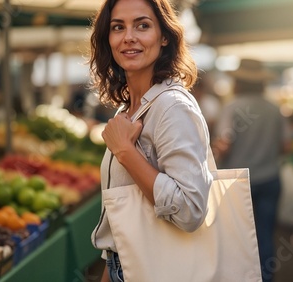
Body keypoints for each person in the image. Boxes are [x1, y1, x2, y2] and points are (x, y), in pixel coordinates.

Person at [88, 0, 212, 281]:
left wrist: (126, 152)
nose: (129, 36)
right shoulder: (128, 110)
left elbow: (191, 210)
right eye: (118, 27)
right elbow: (121, 213)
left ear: (164, 36)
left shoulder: (172, 107)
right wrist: (110, 269)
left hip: (160, 268)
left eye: (142, 25)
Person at [212, 58, 293, 282]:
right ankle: (266, 278)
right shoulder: (274, 108)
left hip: (238, 184)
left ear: (238, 82)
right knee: (265, 235)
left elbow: (224, 145)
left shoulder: (232, 107)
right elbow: (287, 145)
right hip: (270, 179)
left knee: (238, 238)